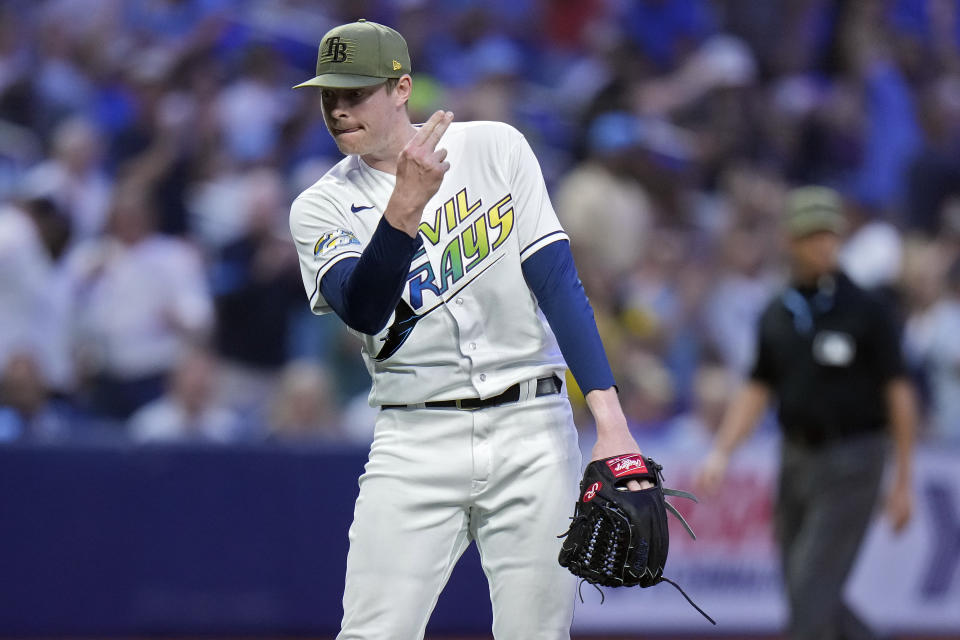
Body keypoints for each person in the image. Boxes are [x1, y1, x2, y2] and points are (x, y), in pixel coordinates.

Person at [289, 19, 646, 639]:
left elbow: (557, 282)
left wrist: (612, 424)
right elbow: (365, 310)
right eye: (329, 96)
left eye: (355, 94)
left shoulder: (495, 148)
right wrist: (404, 209)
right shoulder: (319, 206)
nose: (339, 110)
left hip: (531, 427)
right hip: (415, 433)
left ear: (402, 88)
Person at [696, 186, 917, 640]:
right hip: (796, 458)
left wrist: (903, 481)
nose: (823, 244)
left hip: (854, 458)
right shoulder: (777, 313)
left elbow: (899, 393)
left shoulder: (868, 310)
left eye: (830, 234)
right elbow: (757, 388)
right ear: (790, 241)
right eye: (812, 234)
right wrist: (721, 453)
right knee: (806, 592)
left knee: (810, 594)